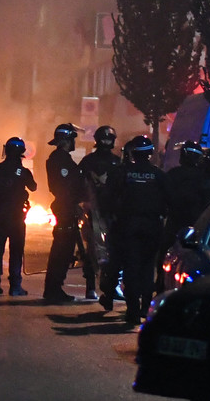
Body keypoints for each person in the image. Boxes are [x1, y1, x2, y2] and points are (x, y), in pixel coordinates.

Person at [112, 135, 172, 326]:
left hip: (128, 226)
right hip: (152, 227)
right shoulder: (159, 175)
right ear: (150, 154)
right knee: (147, 268)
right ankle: (145, 308)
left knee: (131, 268)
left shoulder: (122, 173)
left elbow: (109, 197)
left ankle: (132, 312)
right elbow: (170, 201)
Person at [0, 137, 37, 296]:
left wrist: (1, 186)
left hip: (0, 215)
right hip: (17, 217)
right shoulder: (24, 172)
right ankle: (15, 286)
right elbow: (33, 187)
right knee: (16, 251)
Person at [78, 125, 122, 303]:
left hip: (110, 212)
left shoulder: (116, 162)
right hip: (93, 211)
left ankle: (111, 285)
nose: (106, 142)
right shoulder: (89, 162)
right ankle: (91, 285)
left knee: (112, 249)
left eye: (108, 139)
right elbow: (79, 183)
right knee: (92, 250)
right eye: (103, 139)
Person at [43, 123, 85, 303]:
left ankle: (54, 288)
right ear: (67, 140)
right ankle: (53, 289)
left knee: (65, 250)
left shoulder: (61, 159)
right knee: (62, 250)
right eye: (73, 139)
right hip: (65, 208)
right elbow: (64, 187)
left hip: (67, 207)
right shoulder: (60, 160)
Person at [157, 140, 205, 294]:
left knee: (165, 255)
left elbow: (163, 198)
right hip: (197, 225)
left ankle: (160, 286)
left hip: (174, 223)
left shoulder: (173, 174)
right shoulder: (203, 177)